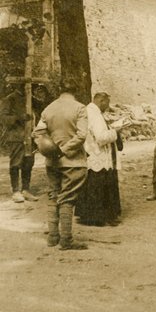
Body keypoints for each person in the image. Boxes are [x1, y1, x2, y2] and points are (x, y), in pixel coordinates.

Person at [33, 79, 88, 250]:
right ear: (75, 91)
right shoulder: (80, 108)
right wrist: (65, 149)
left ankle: (52, 237)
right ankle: (66, 239)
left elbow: (37, 133)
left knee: (53, 196)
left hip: (52, 161)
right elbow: (82, 135)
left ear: (60, 90)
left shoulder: (49, 108)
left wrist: (51, 149)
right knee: (67, 199)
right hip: (73, 161)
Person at [75, 92, 122, 226]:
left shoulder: (88, 111)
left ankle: (88, 216)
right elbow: (101, 137)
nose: (107, 106)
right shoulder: (95, 114)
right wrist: (116, 132)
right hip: (98, 155)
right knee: (100, 185)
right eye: (107, 103)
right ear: (101, 101)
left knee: (92, 185)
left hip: (92, 154)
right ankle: (99, 217)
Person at [0, 84, 38, 203]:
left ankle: (25, 189)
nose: (28, 89)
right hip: (16, 137)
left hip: (30, 137)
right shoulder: (10, 99)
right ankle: (16, 191)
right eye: (26, 86)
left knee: (28, 163)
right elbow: (3, 117)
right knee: (16, 163)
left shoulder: (31, 99)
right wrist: (18, 118)